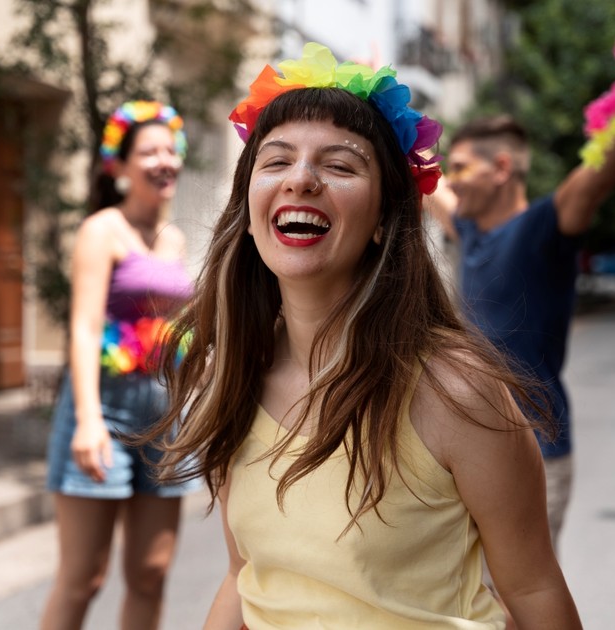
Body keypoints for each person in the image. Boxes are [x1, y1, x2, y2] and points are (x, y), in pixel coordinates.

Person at [148, 43, 582, 629]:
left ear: (383, 219)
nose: (300, 179)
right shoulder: (235, 374)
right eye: (275, 161)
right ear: (249, 207)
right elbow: (245, 576)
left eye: (340, 165)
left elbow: (533, 593)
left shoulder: (457, 391)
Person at [426, 15, 615, 555]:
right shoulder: (467, 230)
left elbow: (600, 172)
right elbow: (426, 179)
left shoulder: (543, 227)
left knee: (521, 602)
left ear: (503, 168)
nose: (452, 177)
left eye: (462, 167)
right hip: (466, 447)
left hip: (538, 449)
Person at [41, 100, 200, 630]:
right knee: (83, 576)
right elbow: (85, 327)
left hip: (163, 414)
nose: (164, 160)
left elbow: (179, 331)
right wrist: (87, 420)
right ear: (120, 166)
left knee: (151, 573)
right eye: (149, 151)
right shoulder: (102, 230)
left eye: (170, 150)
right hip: (104, 408)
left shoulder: (174, 240)